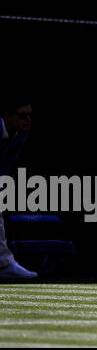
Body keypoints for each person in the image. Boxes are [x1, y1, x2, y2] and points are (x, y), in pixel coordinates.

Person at [0, 98, 37, 278]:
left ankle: (5, 264)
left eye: (30, 115)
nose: (28, 120)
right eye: (23, 115)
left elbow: (6, 164)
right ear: (7, 116)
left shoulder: (20, 134)